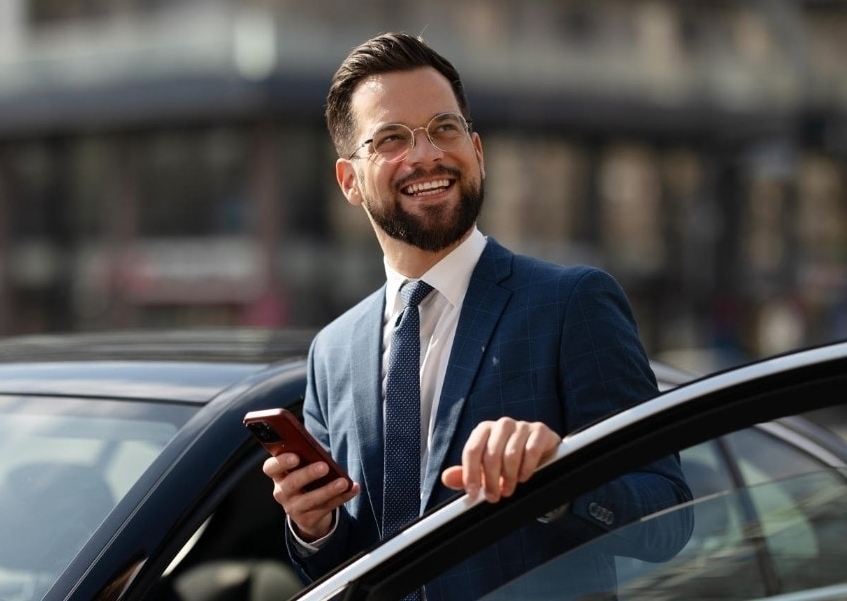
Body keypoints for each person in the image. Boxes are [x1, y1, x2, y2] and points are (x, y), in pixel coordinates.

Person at [263, 31, 692, 599]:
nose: (426, 154)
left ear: (477, 150)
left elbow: (668, 518)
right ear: (349, 182)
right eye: (391, 138)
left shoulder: (572, 303)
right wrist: (313, 527)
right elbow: (346, 567)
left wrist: (557, 481)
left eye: (445, 128)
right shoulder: (333, 351)